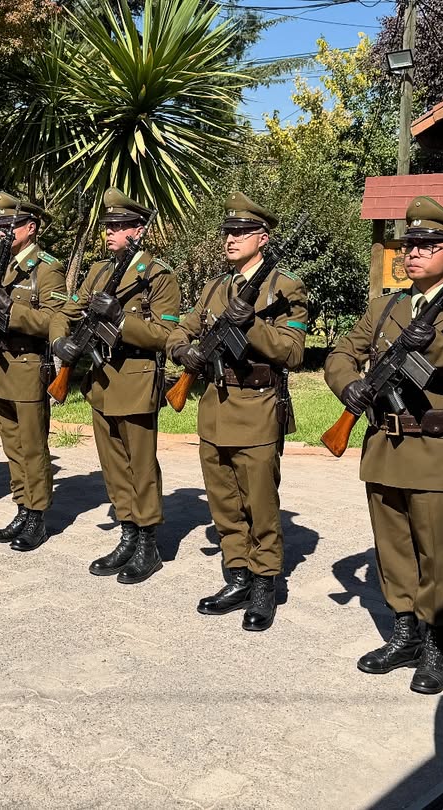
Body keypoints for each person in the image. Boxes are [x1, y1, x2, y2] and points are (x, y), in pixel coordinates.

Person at [324, 196, 443, 693]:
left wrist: (435, 346)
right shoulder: (386, 307)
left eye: (427, 244)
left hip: (437, 450)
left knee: (435, 554)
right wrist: (348, 386)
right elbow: (341, 353)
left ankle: (435, 642)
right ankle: (403, 633)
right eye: (408, 244)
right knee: (393, 549)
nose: (413, 252)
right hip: (383, 443)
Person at [165, 192, 308, 631]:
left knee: (260, 504)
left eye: (241, 232)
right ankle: (237, 574)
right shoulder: (215, 288)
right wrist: (185, 353)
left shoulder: (284, 288)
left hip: (258, 407)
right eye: (227, 232)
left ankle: (265, 584)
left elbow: (293, 351)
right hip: (214, 406)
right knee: (224, 502)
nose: (230, 239)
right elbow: (178, 332)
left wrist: (252, 324)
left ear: (262, 239)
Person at [51, 188, 180, 583]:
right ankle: (127, 531)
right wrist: (61, 342)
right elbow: (64, 311)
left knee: (141, 466)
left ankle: (147, 543)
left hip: (137, 381)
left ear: (138, 231)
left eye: (119, 226)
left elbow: (166, 334)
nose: (109, 232)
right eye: (108, 225)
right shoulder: (98, 272)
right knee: (112, 465)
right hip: (100, 381)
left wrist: (121, 320)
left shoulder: (158, 276)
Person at [0, 192, 66, 548]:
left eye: (12, 225)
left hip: (28, 364)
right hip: (0, 365)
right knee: (11, 445)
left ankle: (37, 515)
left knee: (32, 445)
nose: (4, 231)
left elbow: (54, 319)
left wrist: (9, 311)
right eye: (1, 226)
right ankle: (22, 505)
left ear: (31, 228)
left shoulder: (47, 267)